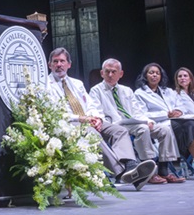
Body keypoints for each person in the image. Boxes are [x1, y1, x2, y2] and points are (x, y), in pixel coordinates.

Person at [45, 48, 155, 189]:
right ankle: (121, 173)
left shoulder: (77, 83)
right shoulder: (46, 85)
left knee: (119, 130)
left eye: (62, 61)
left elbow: (90, 105)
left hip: (89, 121)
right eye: (55, 61)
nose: (59, 65)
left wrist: (96, 118)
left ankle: (130, 165)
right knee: (93, 134)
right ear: (50, 65)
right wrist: (82, 118)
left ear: (69, 64)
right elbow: (55, 113)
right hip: (70, 124)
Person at [89, 58, 181, 184]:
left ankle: (163, 169)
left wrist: (147, 121)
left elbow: (137, 111)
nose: (110, 75)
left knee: (164, 129)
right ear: (102, 73)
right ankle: (149, 171)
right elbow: (96, 111)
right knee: (142, 130)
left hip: (132, 122)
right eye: (107, 72)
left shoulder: (126, 90)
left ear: (120, 74)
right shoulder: (96, 90)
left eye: (114, 72)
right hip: (116, 125)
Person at [133, 62, 194, 183]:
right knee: (191, 126)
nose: (155, 75)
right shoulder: (139, 93)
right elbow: (142, 114)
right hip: (161, 123)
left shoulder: (168, 91)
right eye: (151, 73)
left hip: (177, 120)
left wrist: (178, 111)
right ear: (145, 76)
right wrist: (166, 114)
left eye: (157, 73)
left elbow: (180, 105)